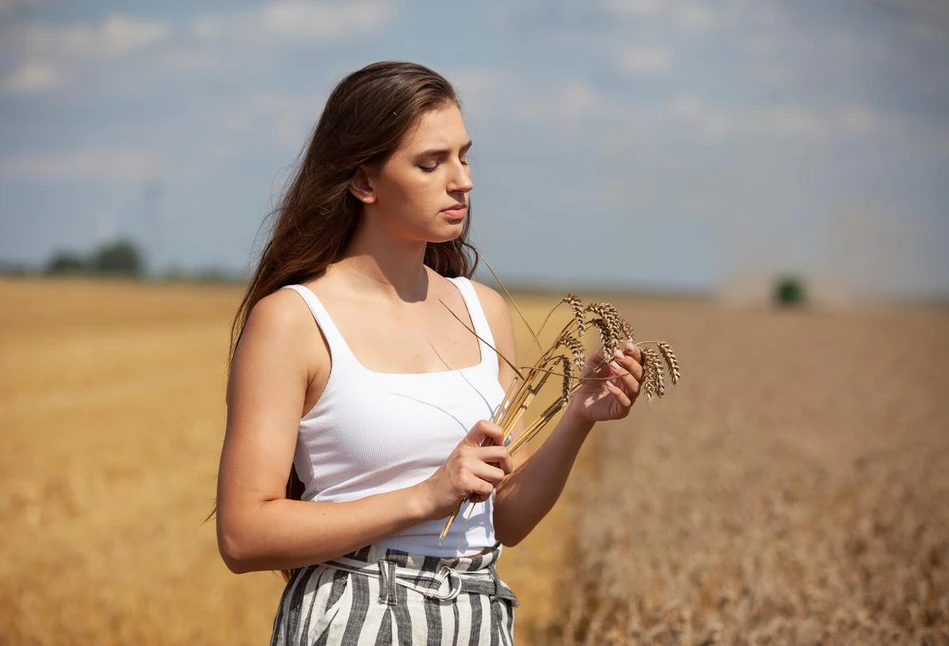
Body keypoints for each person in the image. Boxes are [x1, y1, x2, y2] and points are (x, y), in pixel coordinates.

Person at [213, 60, 645, 645]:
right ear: (364, 182)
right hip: (353, 614)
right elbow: (244, 534)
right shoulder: (293, 319)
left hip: (478, 613)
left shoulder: (483, 309)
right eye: (430, 162)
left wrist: (579, 418)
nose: (462, 180)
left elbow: (505, 519)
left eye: (464, 156)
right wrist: (425, 497)